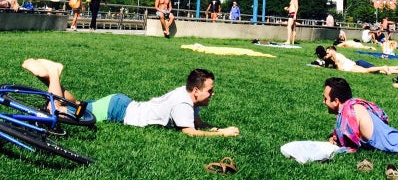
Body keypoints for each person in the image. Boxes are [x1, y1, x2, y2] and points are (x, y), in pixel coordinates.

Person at [21, 58, 238, 136]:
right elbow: (190, 132)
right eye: (210, 90)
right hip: (117, 111)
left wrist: (215, 128)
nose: (212, 93)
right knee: (58, 111)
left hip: (120, 103)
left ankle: (49, 79)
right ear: (196, 91)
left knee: (77, 106)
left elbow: (198, 124)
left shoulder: (188, 95)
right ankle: (54, 72)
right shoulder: (184, 104)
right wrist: (223, 135)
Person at [315, 46, 398, 76]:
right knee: (373, 70)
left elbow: (332, 57)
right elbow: (327, 65)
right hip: (349, 63)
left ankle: (384, 67)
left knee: (368, 70)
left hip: (347, 66)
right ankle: (397, 70)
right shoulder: (328, 55)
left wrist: (335, 64)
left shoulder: (330, 53)